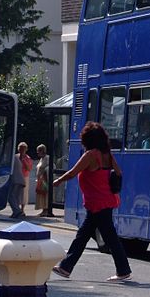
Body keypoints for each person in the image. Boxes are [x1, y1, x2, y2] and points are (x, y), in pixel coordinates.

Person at [52, 121, 132, 282]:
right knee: (89, 236)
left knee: (99, 237)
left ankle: (123, 270)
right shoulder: (107, 155)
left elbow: (73, 172)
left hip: (96, 203)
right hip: (106, 199)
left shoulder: (91, 155)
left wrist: (57, 181)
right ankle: (66, 267)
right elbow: (118, 172)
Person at [7, 145, 26, 219]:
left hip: (15, 180)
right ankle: (16, 212)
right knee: (16, 197)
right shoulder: (16, 157)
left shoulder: (11, 158)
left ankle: (17, 211)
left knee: (10, 196)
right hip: (21, 180)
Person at [15, 142, 33, 212]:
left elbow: (29, 168)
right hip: (16, 177)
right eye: (20, 149)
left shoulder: (28, 158)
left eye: (23, 149)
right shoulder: (15, 157)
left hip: (24, 177)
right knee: (15, 193)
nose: (21, 151)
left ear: (26, 150)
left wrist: (23, 160)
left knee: (24, 193)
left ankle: (22, 209)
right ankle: (16, 208)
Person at [34, 143, 51, 217]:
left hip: (45, 180)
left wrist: (44, 173)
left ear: (42, 151)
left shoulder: (47, 158)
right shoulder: (41, 159)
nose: (37, 153)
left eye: (38, 151)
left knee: (45, 195)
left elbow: (50, 167)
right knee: (41, 195)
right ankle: (43, 210)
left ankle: (46, 210)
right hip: (41, 180)